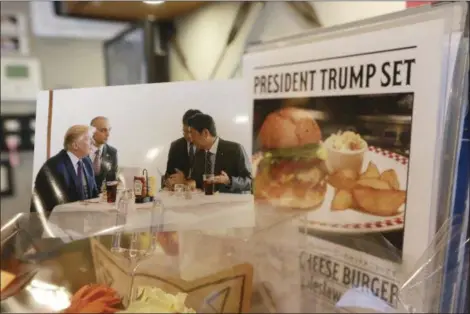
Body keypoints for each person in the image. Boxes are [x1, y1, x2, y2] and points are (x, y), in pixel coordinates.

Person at [168, 113, 252, 194]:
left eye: (193, 134)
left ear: (205, 133)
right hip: (206, 204)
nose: (191, 139)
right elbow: (197, 182)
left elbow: (250, 182)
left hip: (233, 205)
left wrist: (229, 181)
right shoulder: (199, 153)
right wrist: (183, 182)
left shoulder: (235, 149)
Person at [30, 125, 98, 215]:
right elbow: (57, 205)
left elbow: (93, 194)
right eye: (88, 139)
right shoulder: (53, 167)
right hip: (57, 221)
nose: (93, 142)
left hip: (82, 219)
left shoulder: (86, 161)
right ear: (75, 145)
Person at [165, 109, 202, 180]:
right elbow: (169, 174)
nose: (188, 136)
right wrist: (169, 180)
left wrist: (184, 180)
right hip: (180, 190)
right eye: (185, 131)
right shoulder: (175, 146)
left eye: (191, 132)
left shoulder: (207, 146)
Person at [90, 116, 118, 189]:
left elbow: (112, 181)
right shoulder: (81, 149)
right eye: (103, 130)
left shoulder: (112, 152)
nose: (108, 134)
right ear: (92, 132)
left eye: (109, 130)